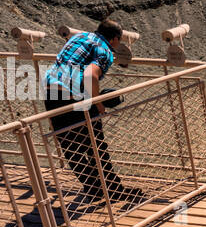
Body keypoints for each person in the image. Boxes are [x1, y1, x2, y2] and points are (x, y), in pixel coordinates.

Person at [41, 19, 144, 204]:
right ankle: (113, 190)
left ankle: (93, 188)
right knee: (95, 144)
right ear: (114, 39)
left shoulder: (80, 36)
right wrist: (98, 104)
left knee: (70, 146)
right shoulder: (104, 50)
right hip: (75, 96)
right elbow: (90, 75)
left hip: (50, 92)